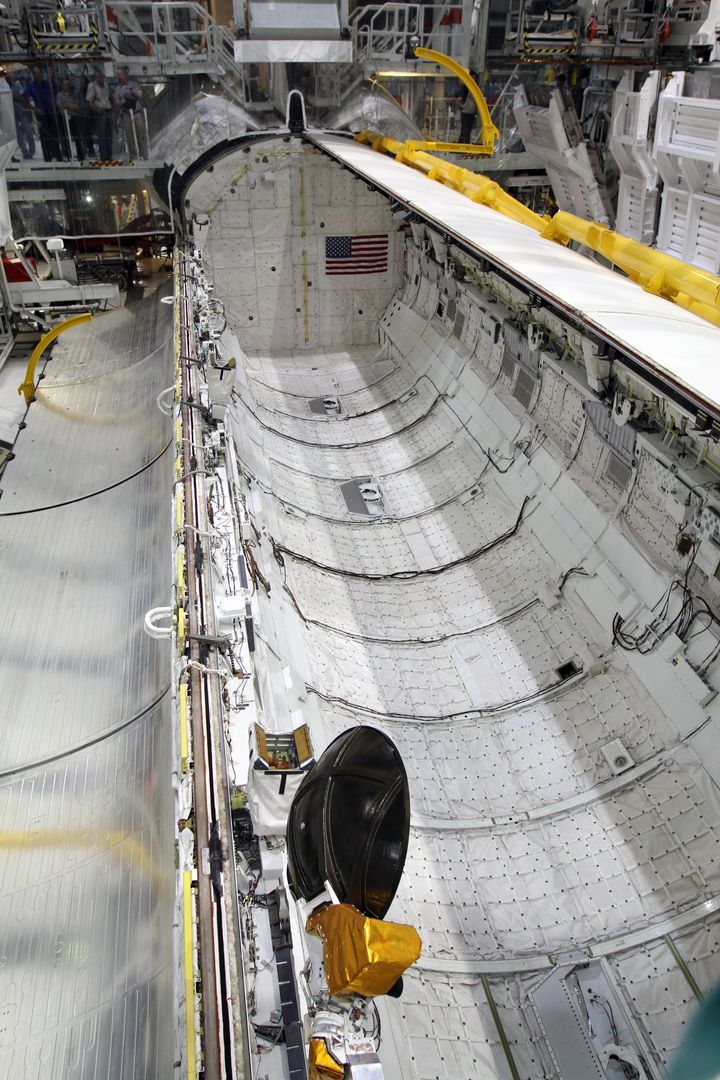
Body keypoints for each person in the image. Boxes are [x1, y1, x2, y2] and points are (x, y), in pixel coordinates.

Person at [23, 65, 62, 161]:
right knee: (44, 138)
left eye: (39, 73)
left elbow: (56, 90)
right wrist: (34, 108)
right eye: (36, 73)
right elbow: (24, 99)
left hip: (51, 112)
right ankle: (47, 158)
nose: (38, 75)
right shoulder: (32, 87)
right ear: (34, 75)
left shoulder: (48, 84)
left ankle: (58, 156)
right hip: (42, 114)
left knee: (54, 135)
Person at [112, 65, 148, 159]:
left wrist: (131, 90)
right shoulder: (118, 89)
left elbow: (140, 95)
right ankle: (134, 156)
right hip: (126, 114)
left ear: (125, 74)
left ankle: (144, 155)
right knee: (130, 137)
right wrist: (121, 102)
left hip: (136, 113)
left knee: (141, 135)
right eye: (118, 75)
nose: (119, 77)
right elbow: (115, 104)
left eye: (120, 74)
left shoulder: (133, 83)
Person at [86, 65, 113, 161]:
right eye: (98, 76)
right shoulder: (92, 86)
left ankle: (109, 156)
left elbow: (108, 97)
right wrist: (97, 109)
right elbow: (89, 101)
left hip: (108, 110)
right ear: (95, 77)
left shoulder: (106, 85)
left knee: (109, 135)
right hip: (100, 112)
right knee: (102, 135)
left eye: (101, 76)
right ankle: (104, 157)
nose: (100, 78)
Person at [11, 74, 35, 159]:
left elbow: (22, 96)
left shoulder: (17, 84)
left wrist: (14, 98)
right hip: (10, 111)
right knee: (17, 134)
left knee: (28, 130)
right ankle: (24, 152)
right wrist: (15, 98)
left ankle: (32, 151)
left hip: (20, 110)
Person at [455, 71, 480, 144]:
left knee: (469, 130)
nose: (473, 79)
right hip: (465, 112)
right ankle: (461, 144)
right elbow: (454, 97)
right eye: (472, 77)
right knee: (464, 130)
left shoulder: (476, 88)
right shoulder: (464, 87)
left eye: (474, 78)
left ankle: (467, 144)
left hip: (472, 112)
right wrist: (462, 105)